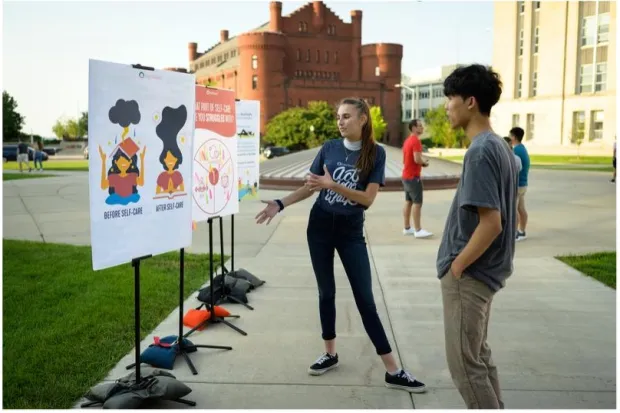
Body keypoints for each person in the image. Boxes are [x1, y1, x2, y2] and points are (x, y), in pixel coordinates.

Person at [255, 97, 427, 393]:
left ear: (363, 119)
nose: (340, 121)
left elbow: (368, 199)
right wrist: (280, 203)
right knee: (326, 292)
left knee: (365, 299)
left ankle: (393, 370)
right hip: (320, 226)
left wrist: (333, 185)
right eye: (338, 116)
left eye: (346, 116)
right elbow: (311, 187)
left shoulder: (375, 153)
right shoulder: (329, 149)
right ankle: (330, 353)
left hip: (350, 231)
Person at [436, 64, 517, 409]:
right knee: (479, 359)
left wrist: (457, 266)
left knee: (466, 367)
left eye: (450, 98)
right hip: (484, 274)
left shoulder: (481, 151)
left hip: (470, 277)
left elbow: (491, 223)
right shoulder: (501, 147)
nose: (446, 106)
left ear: (470, 102)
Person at [401, 119, 432, 238]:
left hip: (406, 176)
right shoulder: (416, 141)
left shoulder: (407, 141)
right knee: (417, 203)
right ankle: (418, 230)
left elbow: (406, 159)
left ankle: (407, 227)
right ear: (413, 128)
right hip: (413, 177)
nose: (422, 128)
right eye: (419, 126)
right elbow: (417, 159)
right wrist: (424, 163)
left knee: (408, 201)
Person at [509, 127, 530, 241]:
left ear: (514, 137)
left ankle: (515, 233)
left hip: (517, 184)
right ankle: (522, 231)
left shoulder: (515, 150)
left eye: (510, 136)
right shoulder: (523, 149)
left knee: (514, 209)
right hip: (523, 184)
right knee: (521, 208)